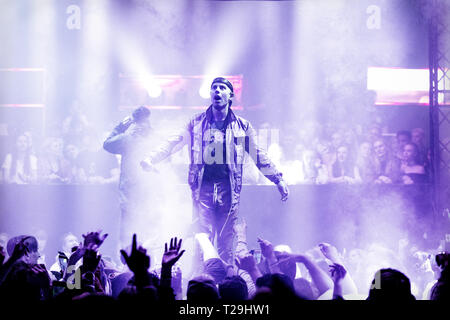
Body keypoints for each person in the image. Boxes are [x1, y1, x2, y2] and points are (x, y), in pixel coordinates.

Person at [141, 77, 289, 265]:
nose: (217, 91)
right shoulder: (195, 123)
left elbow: (258, 155)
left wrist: (278, 179)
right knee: (203, 239)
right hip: (203, 189)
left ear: (230, 95)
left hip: (229, 190)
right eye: (214, 88)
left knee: (227, 242)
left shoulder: (242, 126)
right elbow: (173, 142)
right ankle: (203, 282)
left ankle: (226, 283)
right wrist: (151, 158)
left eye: (221, 88)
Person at [104, 106, 159, 248]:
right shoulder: (155, 141)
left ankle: (127, 265)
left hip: (130, 195)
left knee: (129, 234)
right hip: (148, 195)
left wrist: (121, 126)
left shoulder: (128, 139)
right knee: (147, 233)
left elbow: (107, 144)